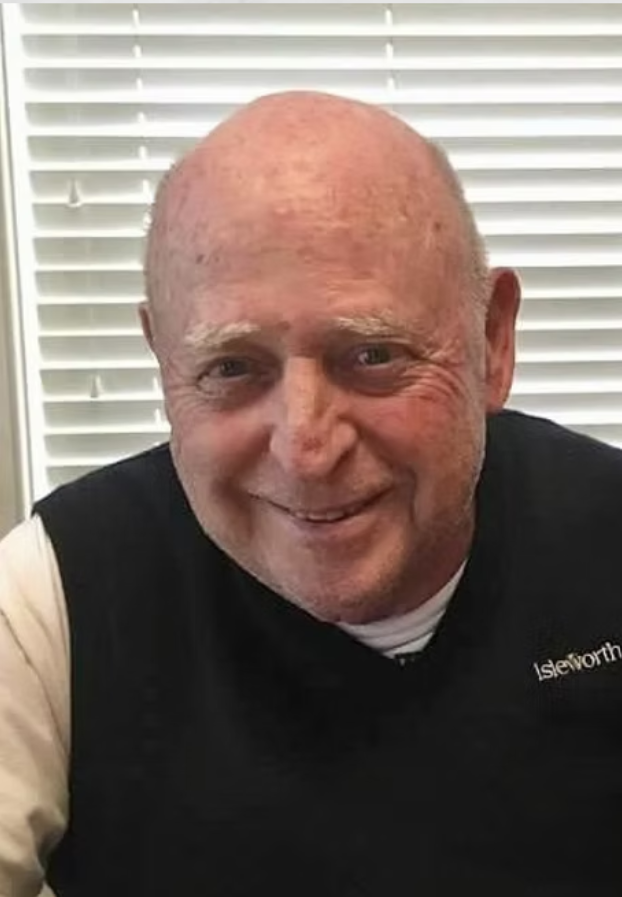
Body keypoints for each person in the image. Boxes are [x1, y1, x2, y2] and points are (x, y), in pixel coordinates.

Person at [1, 90, 621, 897]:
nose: (304, 449)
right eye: (232, 366)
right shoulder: (48, 603)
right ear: (163, 363)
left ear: (492, 339)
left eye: (371, 354)